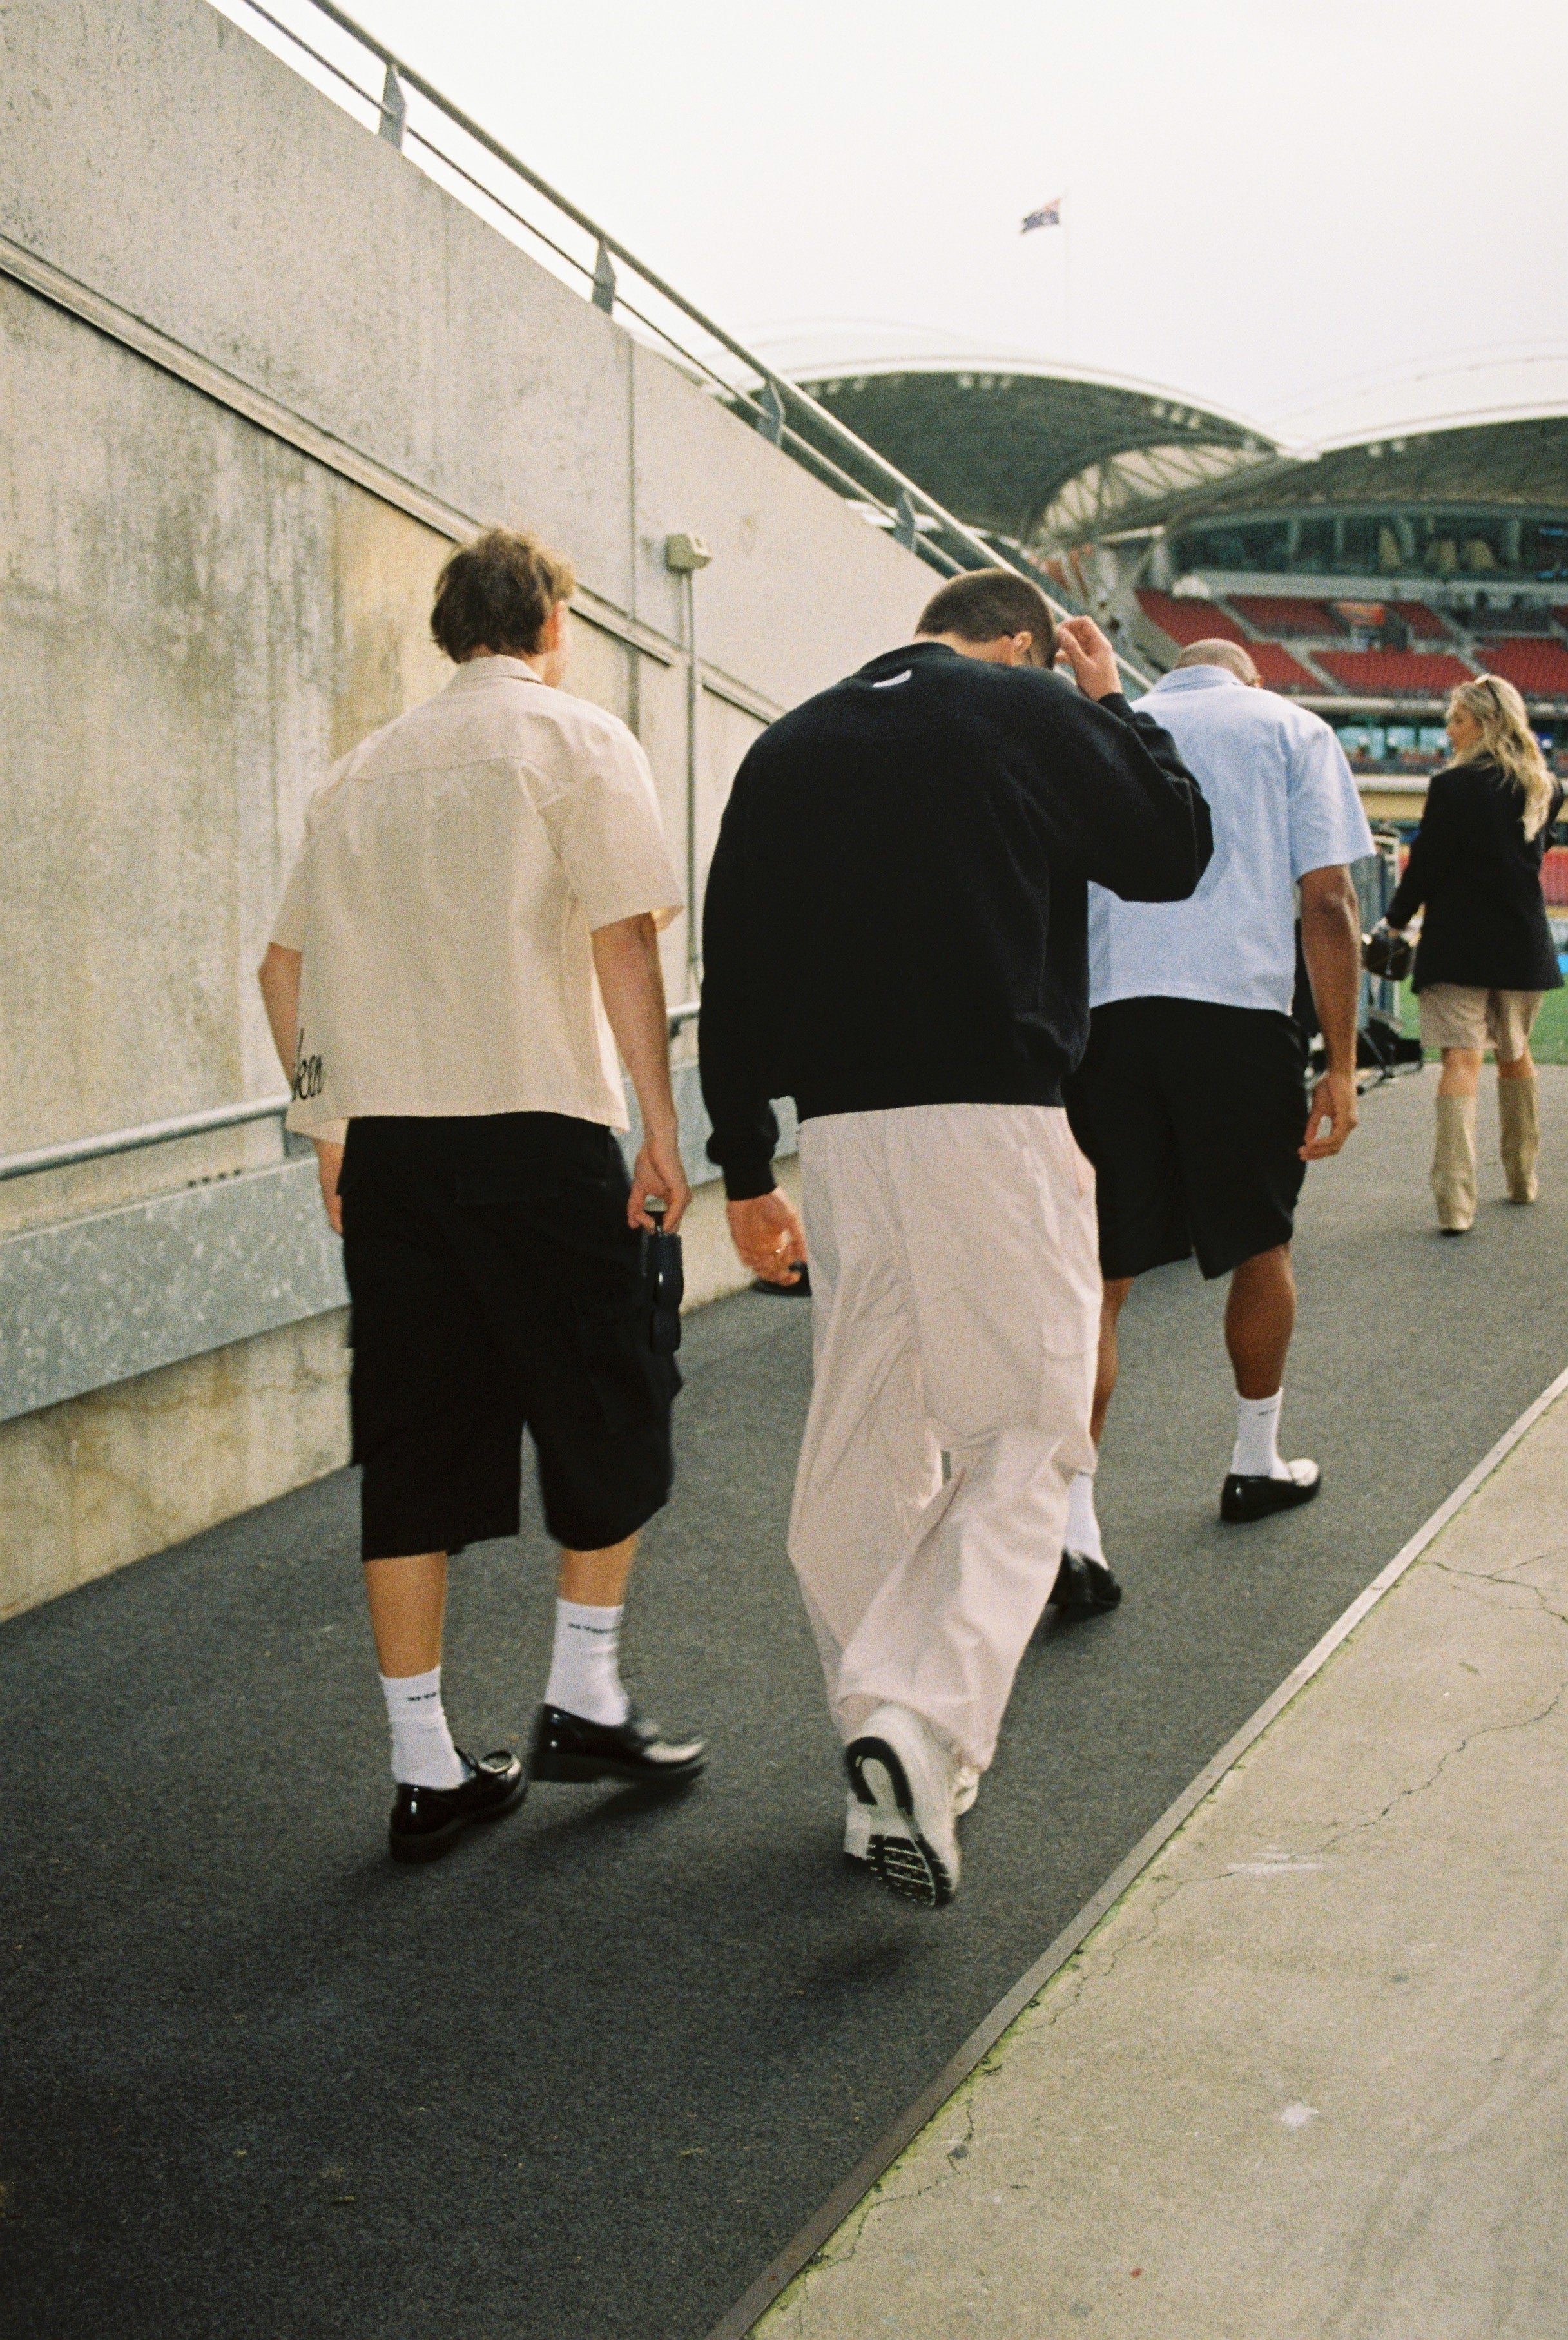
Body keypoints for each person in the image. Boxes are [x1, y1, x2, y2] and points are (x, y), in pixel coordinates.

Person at [698, 570, 1212, 1908]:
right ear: (1024, 642)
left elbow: (731, 966)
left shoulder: (788, 742)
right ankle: (917, 1727)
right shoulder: (1024, 709)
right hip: (994, 1120)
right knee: (1026, 1433)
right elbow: (1171, 849)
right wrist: (1113, 705)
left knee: (861, 1443)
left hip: (842, 1141)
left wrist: (743, 1165)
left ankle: (880, 1756)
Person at [257, 527, 705, 1866]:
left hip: (394, 1149)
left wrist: (329, 1126)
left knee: (412, 1444)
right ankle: (583, 1695)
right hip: (539, 1127)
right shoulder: (576, 741)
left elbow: (281, 969)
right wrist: (661, 1127)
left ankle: (424, 1766)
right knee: (612, 1396)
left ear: (450, 630)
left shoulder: (357, 774)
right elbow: (623, 937)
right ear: (551, 625)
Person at [1064, 639, 1370, 1562]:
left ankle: (1073, 1526)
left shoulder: (1109, 724)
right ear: (1253, 678)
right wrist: (1342, 1062)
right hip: (1239, 1014)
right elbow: (1328, 901)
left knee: (1102, 1269)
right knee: (1260, 1242)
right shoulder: (1291, 728)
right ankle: (1254, 1460)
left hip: (1109, 1016)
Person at [1379, 674, 1563, 1233]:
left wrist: (1393, 922)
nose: (1449, 731)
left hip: (1458, 942)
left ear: (1484, 723)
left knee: (1460, 1061)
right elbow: (1533, 849)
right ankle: (1522, 1178)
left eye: (1456, 720)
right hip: (1521, 940)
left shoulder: (1453, 786)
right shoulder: (1544, 785)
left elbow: (1427, 864)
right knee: (1514, 1053)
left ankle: (1455, 1205)